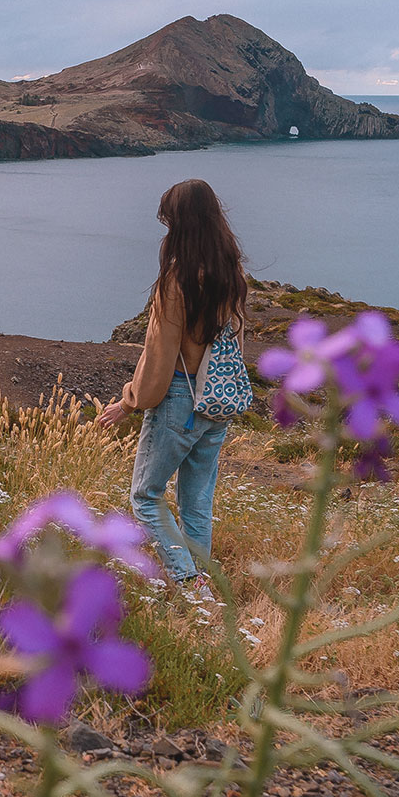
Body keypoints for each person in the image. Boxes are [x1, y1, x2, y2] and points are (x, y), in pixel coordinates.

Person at [95, 179, 248, 596]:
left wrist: (129, 403)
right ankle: (203, 590)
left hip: (180, 399)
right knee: (197, 501)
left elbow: (160, 358)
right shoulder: (231, 274)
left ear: (180, 224)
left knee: (145, 497)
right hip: (218, 401)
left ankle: (187, 579)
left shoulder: (177, 280)